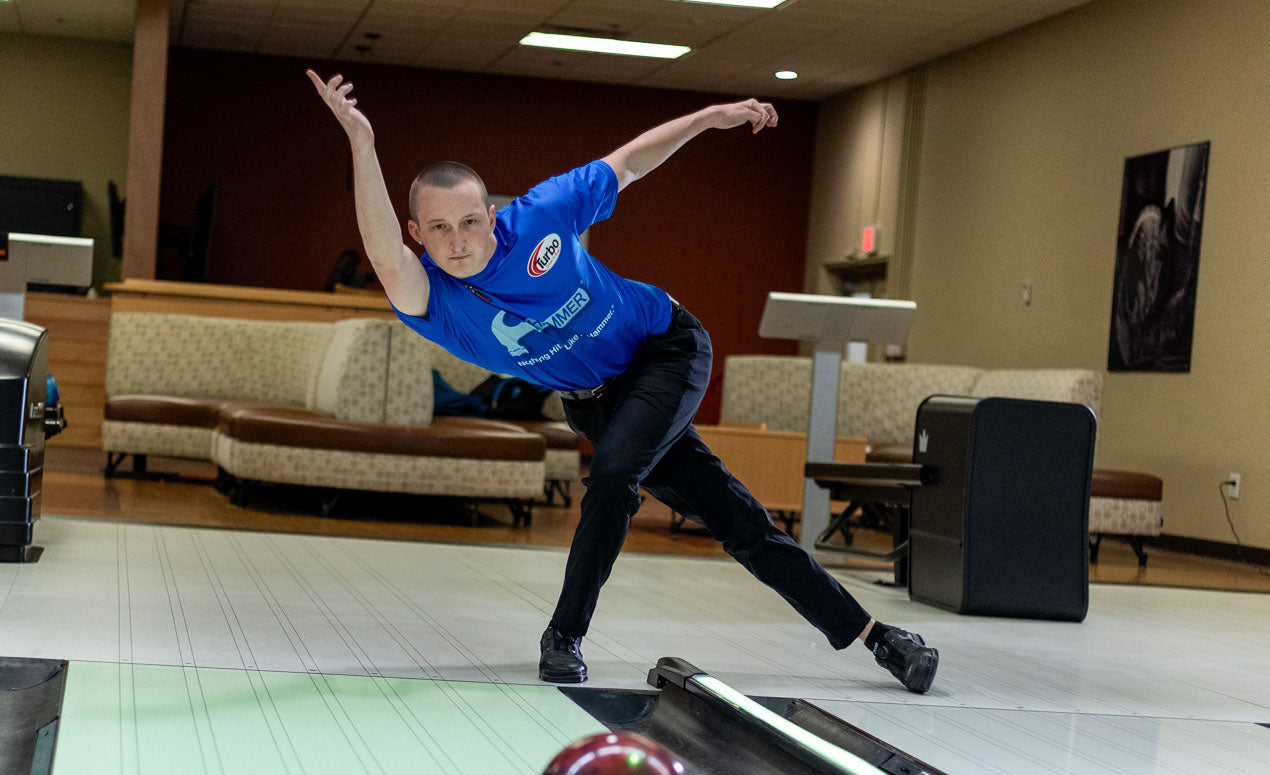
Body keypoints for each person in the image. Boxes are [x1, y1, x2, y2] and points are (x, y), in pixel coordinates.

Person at [306, 69, 940, 693]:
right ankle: (879, 637)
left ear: (492, 216)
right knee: (736, 518)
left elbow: (631, 160)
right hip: (598, 404)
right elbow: (383, 252)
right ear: (418, 234)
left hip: (666, 350)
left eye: (469, 221)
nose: (458, 240)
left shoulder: (543, 213)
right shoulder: (434, 299)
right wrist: (362, 143)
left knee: (613, 474)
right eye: (438, 229)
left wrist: (705, 120)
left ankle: (563, 636)